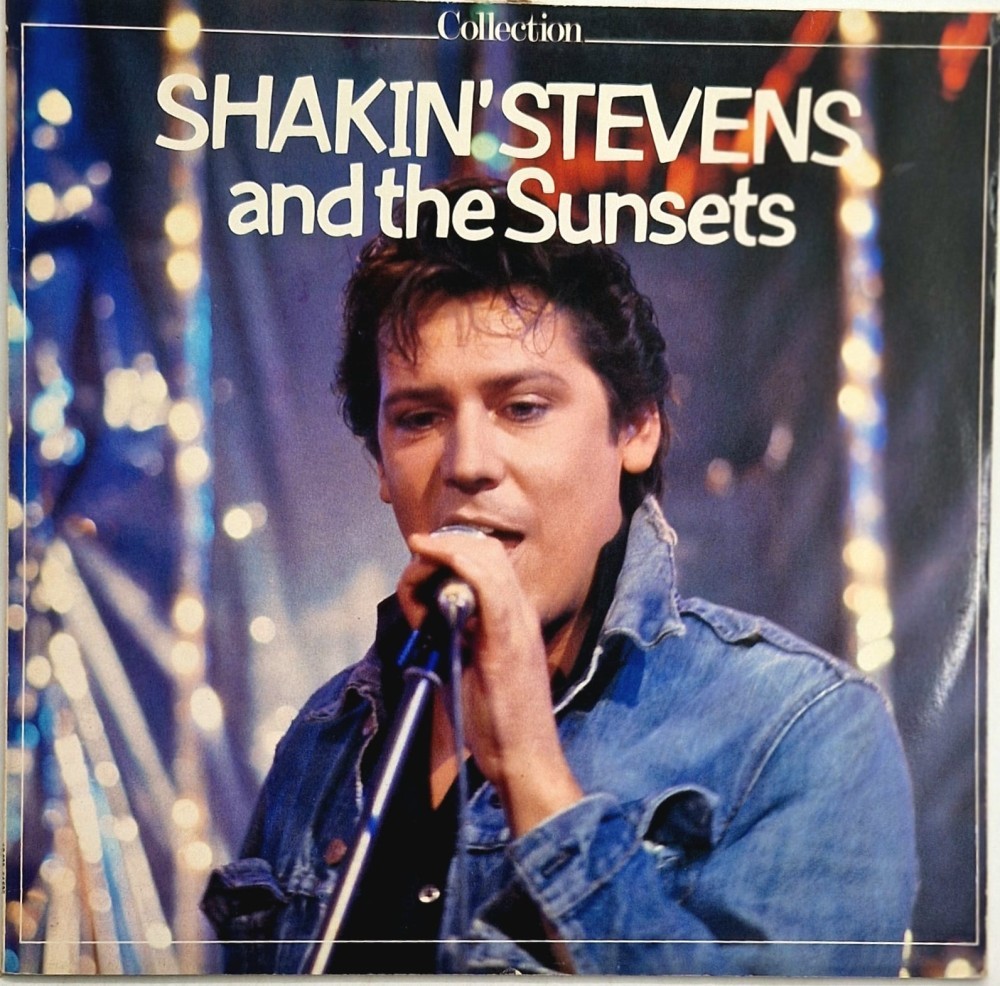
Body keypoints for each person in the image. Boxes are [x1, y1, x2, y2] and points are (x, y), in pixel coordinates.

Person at [201, 178, 917, 976]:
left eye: (523, 408)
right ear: (379, 463)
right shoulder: (329, 735)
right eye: (419, 419)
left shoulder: (802, 729)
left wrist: (531, 771)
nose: (467, 463)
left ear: (636, 429)